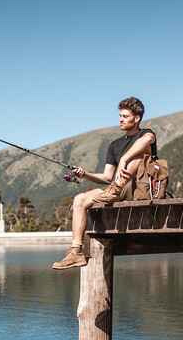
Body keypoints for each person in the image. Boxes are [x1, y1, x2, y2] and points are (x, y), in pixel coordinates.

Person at [52, 97, 156, 270]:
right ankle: (76, 253)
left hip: (141, 188)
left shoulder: (146, 134)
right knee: (79, 200)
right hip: (116, 188)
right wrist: (85, 175)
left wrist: (124, 158)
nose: (120, 119)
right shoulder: (114, 145)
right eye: (120, 115)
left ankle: (115, 190)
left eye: (125, 116)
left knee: (140, 151)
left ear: (136, 118)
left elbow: (148, 140)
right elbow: (107, 177)